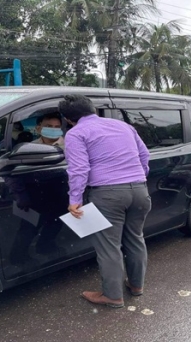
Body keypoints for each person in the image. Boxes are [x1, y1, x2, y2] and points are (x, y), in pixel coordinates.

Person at [59, 94, 151, 308]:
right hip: (139, 189)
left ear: (67, 118)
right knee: (136, 238)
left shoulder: (76, 133)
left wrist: (75, 199)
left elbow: (79, 169)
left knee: (109, 246)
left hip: (107, 194)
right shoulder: (123, 126)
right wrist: (137, 179)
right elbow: (144, 156)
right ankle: (136, 286)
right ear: (92, 109)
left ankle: (112, 295)